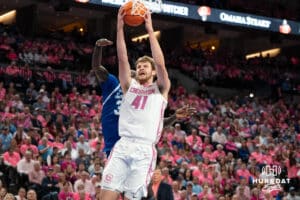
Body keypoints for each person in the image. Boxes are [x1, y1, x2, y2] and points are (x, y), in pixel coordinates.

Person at [100, 7, 171, 200]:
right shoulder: (128, 86)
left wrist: (149, 29)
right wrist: (120, 27)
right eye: (138, 66)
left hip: (144, 149)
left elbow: (160, 63)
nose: (140, 68)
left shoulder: (161, 88)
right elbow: (122, 58)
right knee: (105, 195)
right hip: (123, 145)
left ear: (153, 71)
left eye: (145, 66)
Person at [90, 39, 195, 157]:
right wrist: (98, 47)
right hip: (114, 145)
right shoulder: (113, 84)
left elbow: (158, 123)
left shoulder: (143, 99)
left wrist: (174, 117)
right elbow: (97, 67)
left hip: (135, 147)